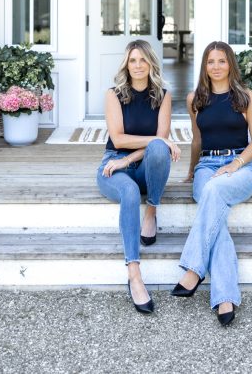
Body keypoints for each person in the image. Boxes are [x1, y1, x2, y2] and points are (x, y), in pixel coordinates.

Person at [171, 41, 252, 326]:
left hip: (241, 167)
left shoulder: (247, 97)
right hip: (206, 168)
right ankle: (225, 297)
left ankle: (194, 269)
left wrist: (234, 165)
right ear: (204, 66)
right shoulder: (194, 98)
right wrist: (191, 170)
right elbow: (197, 140)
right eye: (211, 61)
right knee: (215, 214)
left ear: (230, 64)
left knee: (212, 191)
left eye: (221, 61)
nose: (216, 67)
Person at [96, 39, 181, 314]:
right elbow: (118, 138)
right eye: (133, 60)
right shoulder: (114, 94)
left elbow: (159, 144)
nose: (137, 65)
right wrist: (122, 160)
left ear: (151, 63)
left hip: (138, 165)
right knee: (130, 191)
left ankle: (152, 212)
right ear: (126, 64)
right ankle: (134, 274)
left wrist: (129, 159)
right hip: (112, 165)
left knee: (158, 148)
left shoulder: (163, 95)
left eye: (143, 60)